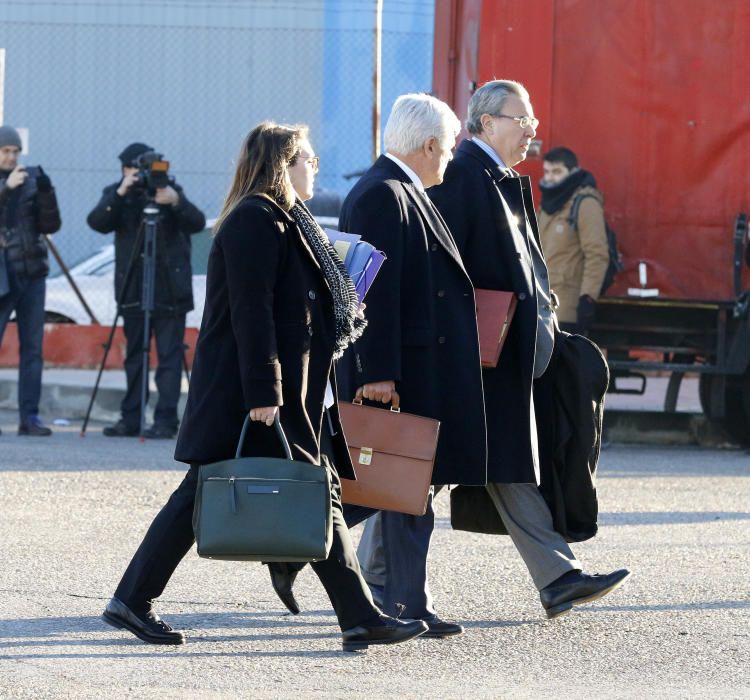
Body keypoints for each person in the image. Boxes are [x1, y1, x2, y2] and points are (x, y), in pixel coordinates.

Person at [101, 122, 427, 652]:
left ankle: (355, 613)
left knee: (308, 491)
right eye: (308, 159)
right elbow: (252, 315)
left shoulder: (285, 220)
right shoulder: (256, 219)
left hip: (282, 387)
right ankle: (135, 600)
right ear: (282, 164)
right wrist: (264, 394)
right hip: (251, 392)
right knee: (224, 494)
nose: (314, 167)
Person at [268, 93, 487, 638]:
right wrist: (375, 372)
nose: (451, 157)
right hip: (400, 372)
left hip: (417, 368)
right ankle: (311, 555)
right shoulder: (382, 195)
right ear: (430, 144)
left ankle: (396, 594)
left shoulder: (403, 189)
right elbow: (373, 296)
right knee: (396, 488)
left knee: (403, 489)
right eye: (451, 146)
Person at [425, 79, 629, 619]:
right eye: (523, 118)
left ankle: (557, 578)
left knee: (498, 464)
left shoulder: (497, 177)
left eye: (532, 119)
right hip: (473, 359)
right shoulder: (463, 176)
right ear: (487, 122)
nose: (533, 129)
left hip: (499, 357)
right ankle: (340, 561)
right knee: (420, 471)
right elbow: (443, 274)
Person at [87, 143, 206, 439]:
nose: (139, 174)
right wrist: (121, 192)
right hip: (134, 290)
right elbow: (97, 222)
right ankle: (131, 418)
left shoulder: (170, 190)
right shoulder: (119, 194)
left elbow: (198, 223)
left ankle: (165, 420)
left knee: (169, 356)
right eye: (131, 169)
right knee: (135, 356)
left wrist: (175, 201)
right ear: (124, 170)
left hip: (170, 291)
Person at [0, 125, 61, 437]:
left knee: (33, 349)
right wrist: (6, 188)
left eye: (15, 151)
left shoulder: (30, 179)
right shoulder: (8, 183)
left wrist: (47, 193)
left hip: (33, 274)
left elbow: (52, 224)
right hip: (2, 276)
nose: (11, 157)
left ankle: (30, 418)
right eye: (6, 151)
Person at [538, 146, 609, 335]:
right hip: (541, 303)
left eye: (557, 172)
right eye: (546, 171)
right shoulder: (547, 205)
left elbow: (597, 254)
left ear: (572, 172)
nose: (550, 177)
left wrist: (587, 298)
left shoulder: (585, 203)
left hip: (567, 307)